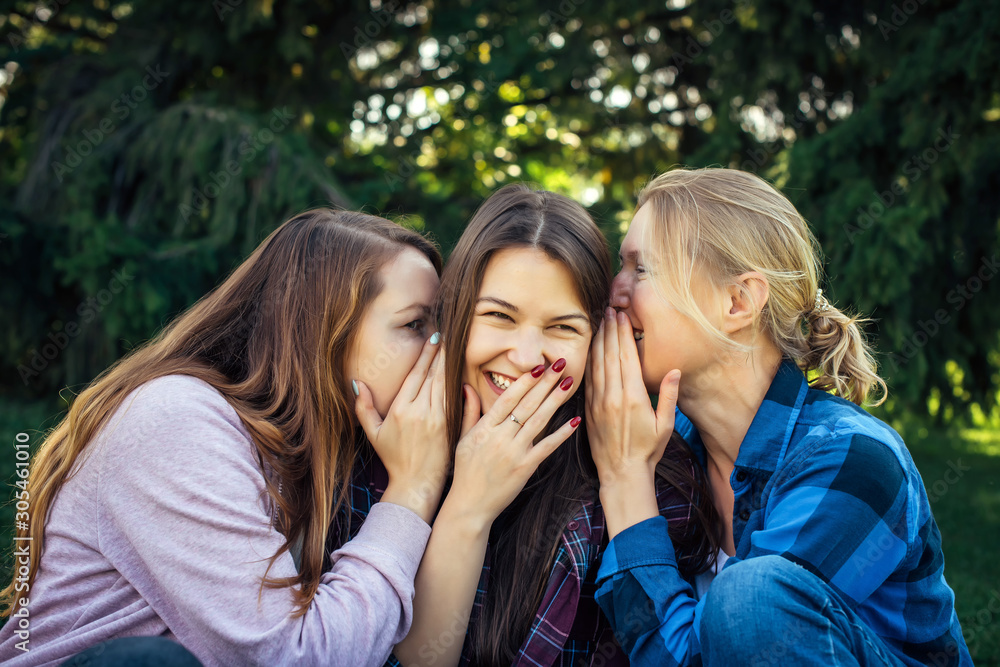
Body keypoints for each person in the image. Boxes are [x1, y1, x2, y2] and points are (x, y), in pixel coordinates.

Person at [0, 209, 452, 667]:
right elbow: (295, 657)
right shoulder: (177, 420)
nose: (441, 352)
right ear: (318, 329)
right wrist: (412, 492)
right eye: (416, 325)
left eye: (442, 327)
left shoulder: (328, 452)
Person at [587, 167, 973, 666]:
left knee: (750, 600)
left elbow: (699, 658)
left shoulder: (852, 458)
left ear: (737, 301)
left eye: (640, 270)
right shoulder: (662, 439)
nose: (613, 292)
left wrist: (624, 482)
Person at [379, 183, 718, 667]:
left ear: (599, 341)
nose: (524, 357)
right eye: (498, 315)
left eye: (563, 327)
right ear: (455, 313)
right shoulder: (386, 450)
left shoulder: (660, 487)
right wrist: (466, 508)